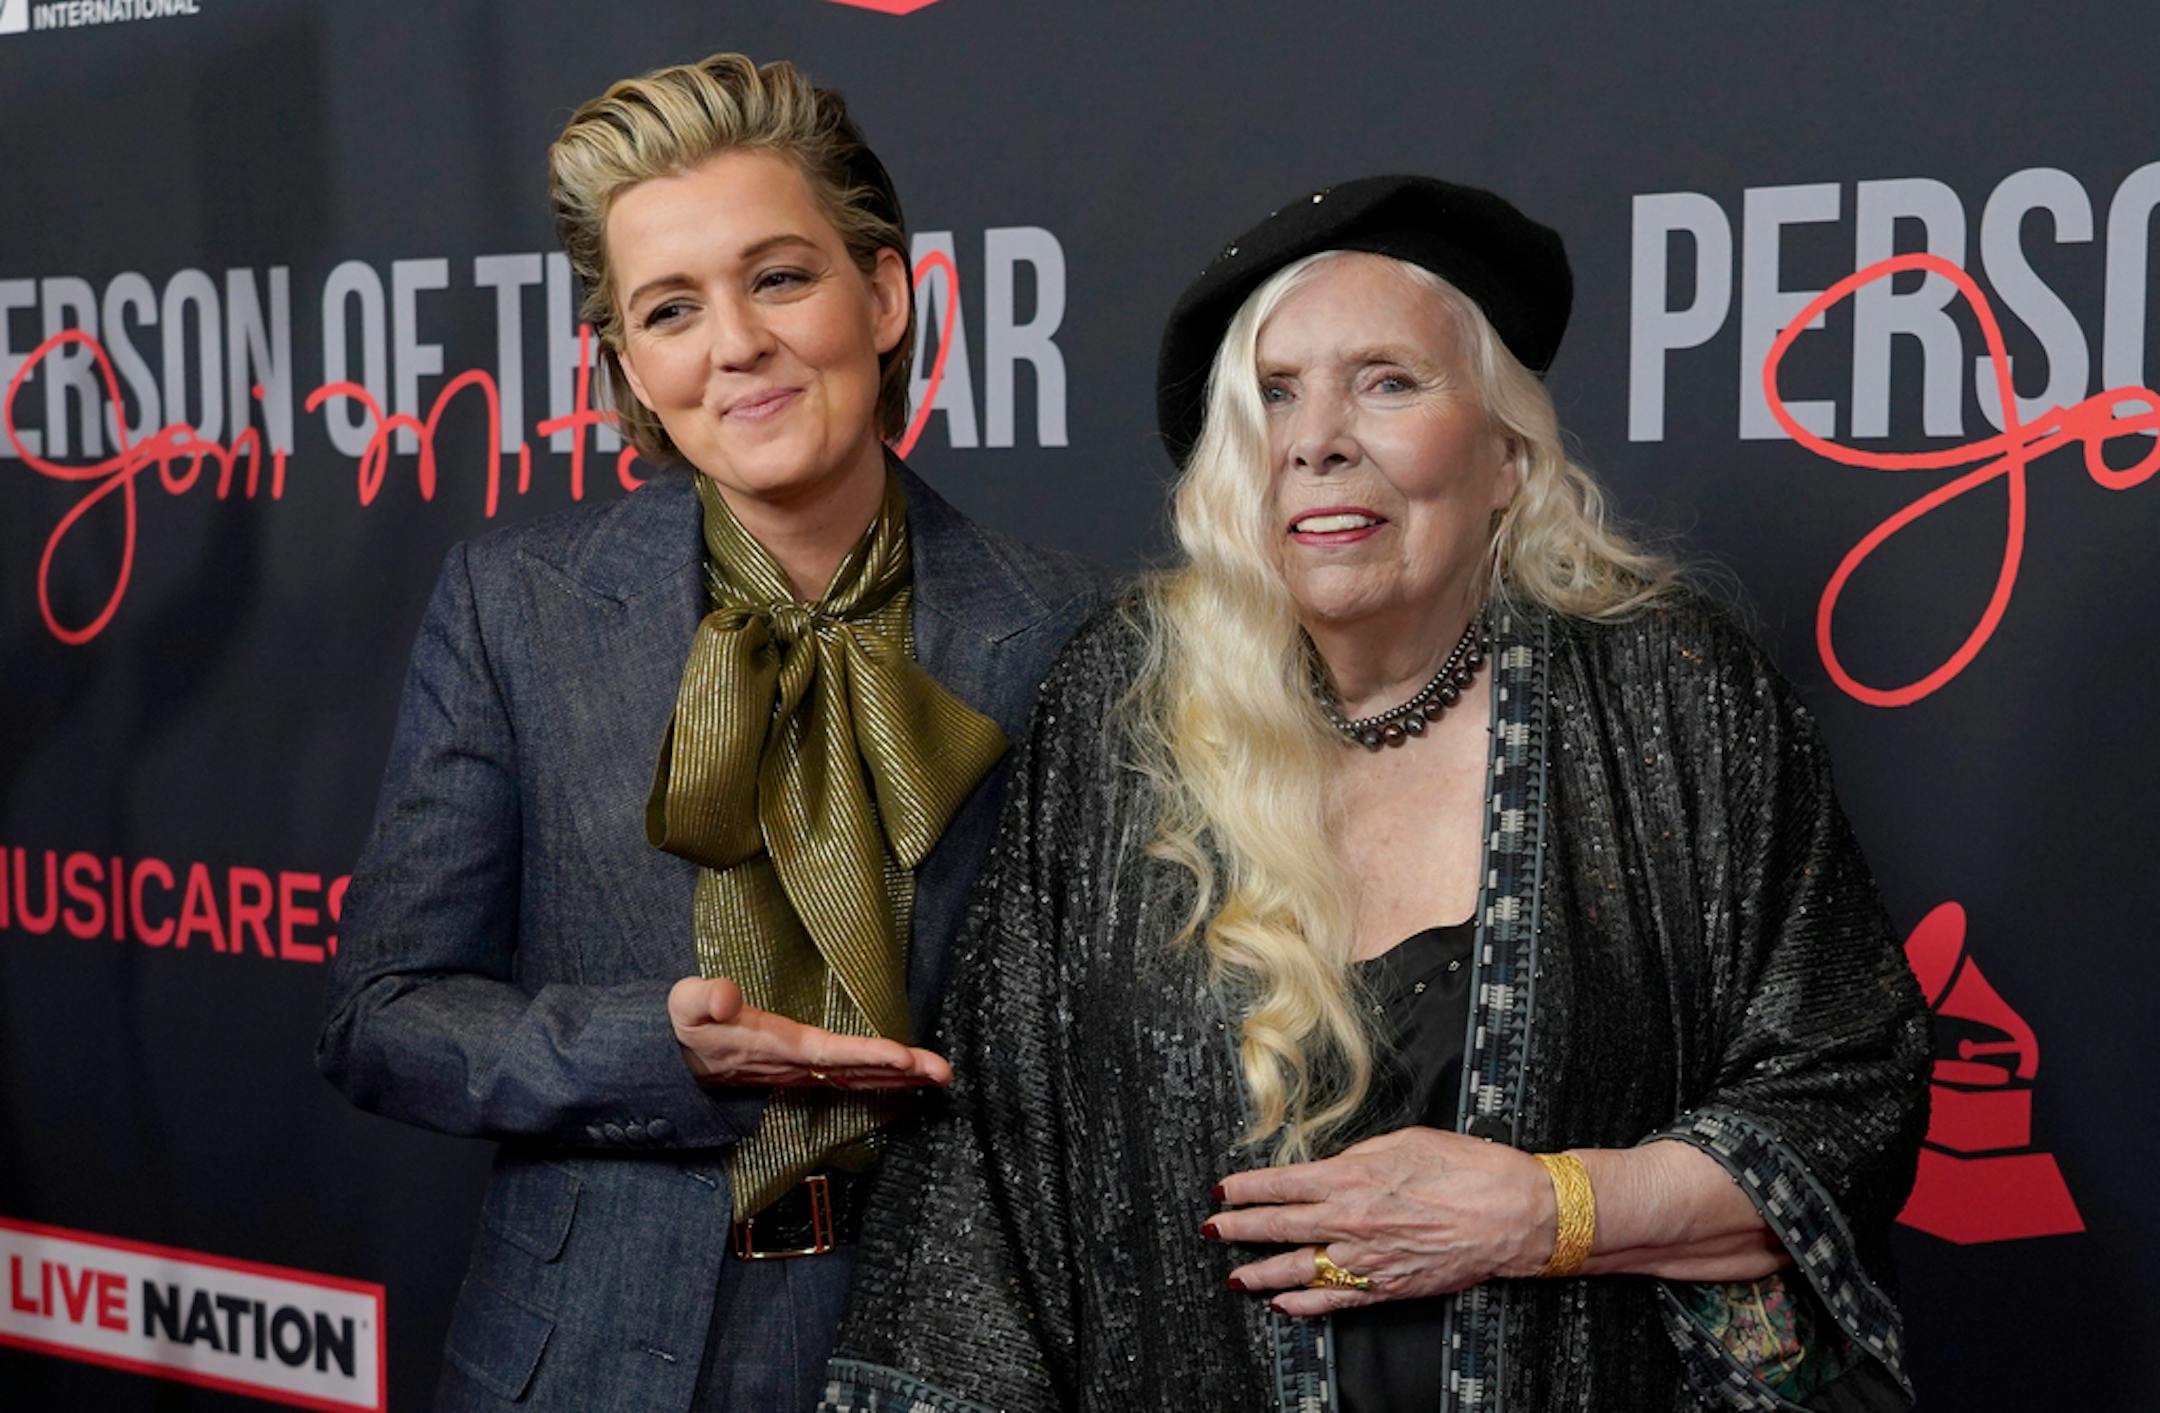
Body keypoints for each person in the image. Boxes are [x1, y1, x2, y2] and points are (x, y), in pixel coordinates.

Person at [821, 176, 1930, 1412]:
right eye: (1275, 394)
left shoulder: (1673, 698)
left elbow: (1850, 1098)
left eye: (1388, 382)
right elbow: (989, 1177)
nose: (1318, 437)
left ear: (1509, 454)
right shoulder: (1119, 712)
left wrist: (1545, 1211)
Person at [316, 53, 1103, 1412]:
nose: (735, 343)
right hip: (575, 1359)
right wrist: (652, 1051)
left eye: (780, 277)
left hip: (943, 1358)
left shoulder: (1074, 630)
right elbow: (386, 1016)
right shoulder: (517, 609)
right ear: (626, 360)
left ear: (885, 294)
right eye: (670, 308)